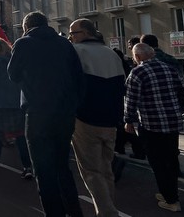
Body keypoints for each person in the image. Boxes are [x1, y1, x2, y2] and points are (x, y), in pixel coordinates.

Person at [7, 11, 85, 217]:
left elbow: (12, 74)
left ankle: (54, 213)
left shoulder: (23, 43)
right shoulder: (65, 44)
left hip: (37, 112)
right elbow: (79, 77)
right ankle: (75, 211)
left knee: (43, 170)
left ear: (26, 27)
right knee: (62, 166)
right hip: (64, 113)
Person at [68, 19, 126, 217]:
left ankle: (107, 212)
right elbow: (121, 88)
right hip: (111, 119)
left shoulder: (77, 52)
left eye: (73, 33)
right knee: (106, 169)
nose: (71, 37)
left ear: (84, 32)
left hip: (86, 118)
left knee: (91, 171)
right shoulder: (111, 53)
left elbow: (71, 85)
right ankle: (109, 207)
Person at [124, 43, 184, 212]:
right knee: (170, 159)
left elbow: (131, 100)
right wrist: (180, 110)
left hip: (151, 123)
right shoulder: (169, 69)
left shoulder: (138, 72)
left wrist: (129, 121)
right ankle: (169, 192)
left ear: (137, 57)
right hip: (173, 121)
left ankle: (171, 200)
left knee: (158, 162)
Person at [0, 38, 33, 180]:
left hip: (0, 104)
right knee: (20, 135)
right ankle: (27, 166)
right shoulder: (12, 60)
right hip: (17, 103)